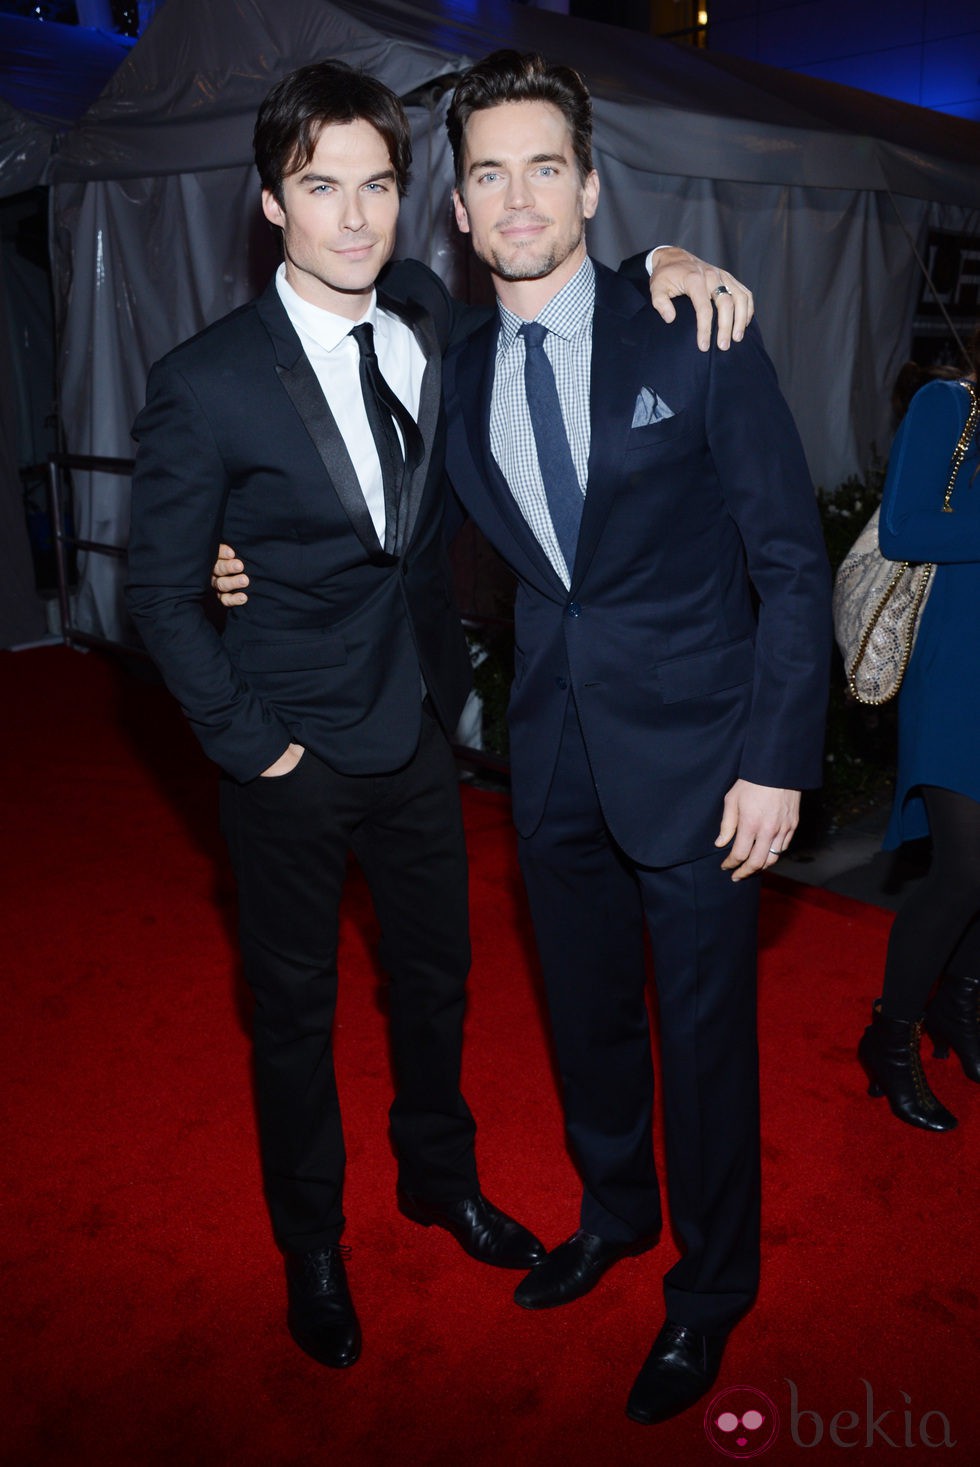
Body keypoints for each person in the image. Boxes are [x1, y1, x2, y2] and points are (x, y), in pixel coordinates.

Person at [216, 51, 830, 1423]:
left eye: (544, 165)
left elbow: (791, 560)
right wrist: (232, 552)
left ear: (593, 186)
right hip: (547, 756)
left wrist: (780, 752)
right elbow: (350, 489)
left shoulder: (694, 330)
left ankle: (710, 1286)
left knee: (706, 1040)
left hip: (707, 763)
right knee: (591, 1021)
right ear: (459, 208)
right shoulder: (452, 361)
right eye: (487, 170)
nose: (516, 195)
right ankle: (616, 1211)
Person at [858, 329, 980, 1132]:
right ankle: (889, 1035)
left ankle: (958, 1007)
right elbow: (903, 528)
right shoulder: (949, 404)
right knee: (965, 868)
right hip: (955, 673)